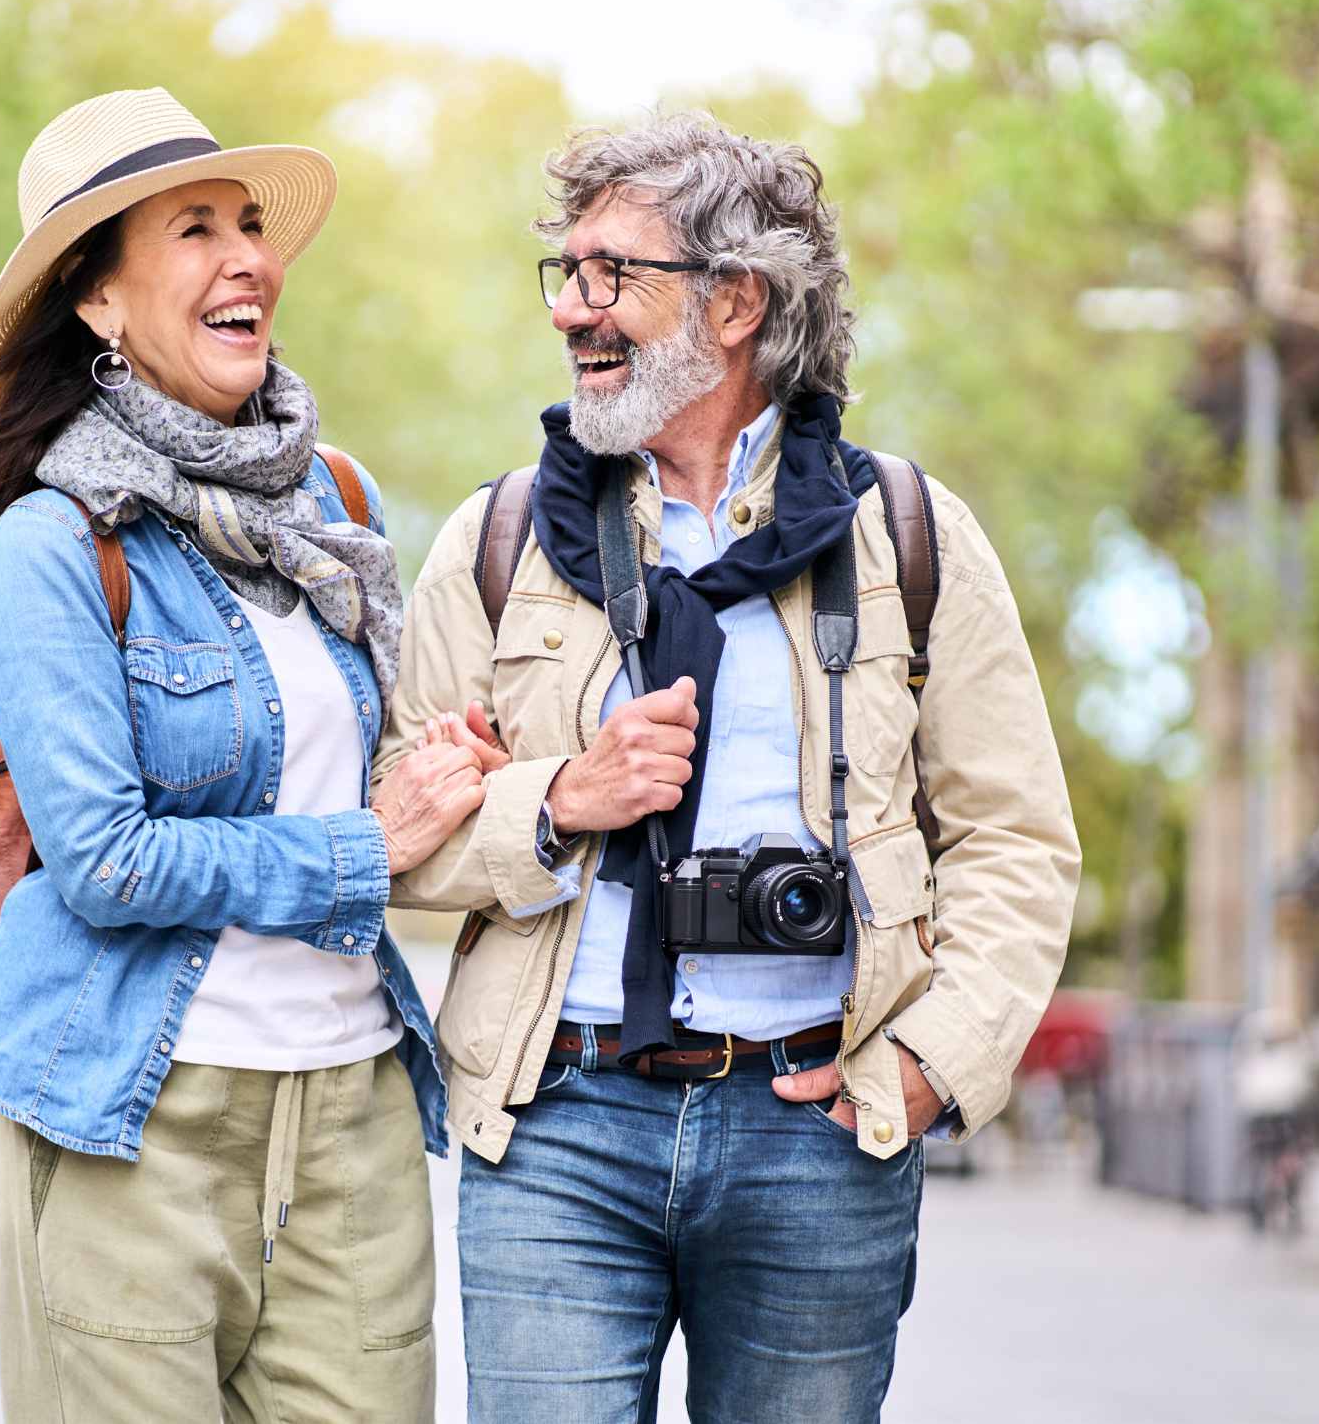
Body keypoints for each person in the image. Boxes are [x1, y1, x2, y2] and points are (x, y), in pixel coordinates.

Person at [379, 113, 1082, 1422]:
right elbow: (392, 843)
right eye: (566, 272)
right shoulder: (495, 540)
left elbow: (1016, 842)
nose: (572, 310)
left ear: (737, 301)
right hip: (555, 1124)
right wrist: (557, 803)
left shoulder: (907, 537)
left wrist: (929, 1061)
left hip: (818, 1123)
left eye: (611, 274)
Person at [0, 88, 471, 1423]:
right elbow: (103, 859)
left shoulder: (336, 504)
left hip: (351, 1117)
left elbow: (374, 760)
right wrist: (367, 845)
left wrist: (466, 771)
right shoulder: (53, 543)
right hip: (132, 1120)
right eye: (191, 231)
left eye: (249, 225)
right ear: (96, 301)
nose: (247, 258)